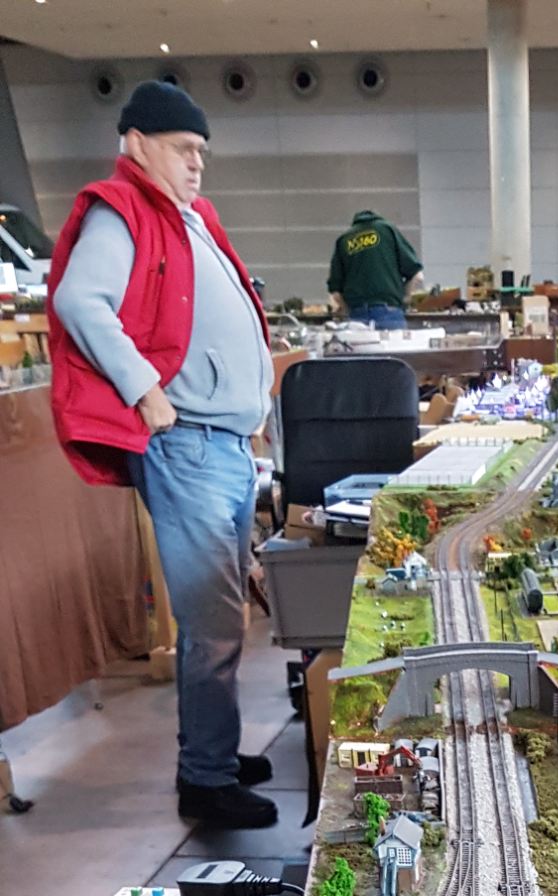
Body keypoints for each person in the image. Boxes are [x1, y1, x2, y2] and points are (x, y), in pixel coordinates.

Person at [49, 80, 277, 828]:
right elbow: (80, 301)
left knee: (223, 613)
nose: (196, 162)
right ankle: (206, 778)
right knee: (213, 619)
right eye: (183, 149)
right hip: (188, 444)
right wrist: (145, 390)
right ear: (137, 144)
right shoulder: (122, 211)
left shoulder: (188, 218)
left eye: (201, 150)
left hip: (222, 443)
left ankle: (214, 750)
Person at [328, 210, 423, 326]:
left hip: (357, 317)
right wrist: (405, 298)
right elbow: (417, 275)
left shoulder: (343, 239)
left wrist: (348, 311)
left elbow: (335, 291)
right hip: (390, 313)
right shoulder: (388, 230)